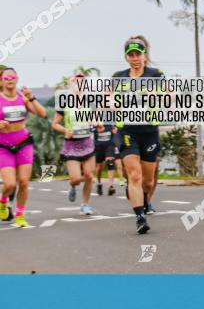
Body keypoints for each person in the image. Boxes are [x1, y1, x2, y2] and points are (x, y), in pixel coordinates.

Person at [113, 36, 165, 234]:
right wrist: (112, 103)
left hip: (149, 132)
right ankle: (140, 217)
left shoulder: (156, 74)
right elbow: (107, 99)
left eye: (138, 54)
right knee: (134, 175)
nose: (135, 58)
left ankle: (143, 199)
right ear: (126, 57)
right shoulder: (118, 77)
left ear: (145, 56)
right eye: (131, 55)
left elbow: (171, 96)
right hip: (127, 130)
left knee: (148, 181)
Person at [0, 67, 47, 227]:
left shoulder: (23, 98)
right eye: (6, 77)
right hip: (3, 146)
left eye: (12, 77)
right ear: (1, 81)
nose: (10, 79)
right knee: (10, 184)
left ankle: (20, 214)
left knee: (24, 182)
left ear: (17, 79)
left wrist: (31, 97)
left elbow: (42, 114)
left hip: (23, 144)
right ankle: (3, 202)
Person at [51, 72, 97, 215]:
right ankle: (72, 186)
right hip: (71, 146)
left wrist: (97, 124)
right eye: (76, 82)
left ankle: (85, 204)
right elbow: (55, 124)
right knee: (76, 179)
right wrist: (65, 130)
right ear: (71, 85)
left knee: (89, 176)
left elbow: (92, 119)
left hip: (87, 143)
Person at [93, 121, 119, 196]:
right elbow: (90, 128)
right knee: (99, 167)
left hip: (109, 145)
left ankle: (111, 186)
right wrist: (97, 129)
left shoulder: (111, 119)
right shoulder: (95, 119)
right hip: (98, 147)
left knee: (110, 162)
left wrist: (116, 130)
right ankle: (99, 183)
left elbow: (118, 128)